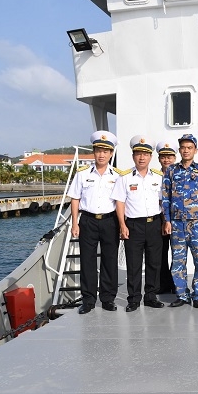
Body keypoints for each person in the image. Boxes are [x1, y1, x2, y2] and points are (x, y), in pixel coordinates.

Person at [68, 131, 120, 314]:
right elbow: (75, 199)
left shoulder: (118, 176)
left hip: (110, 221)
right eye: (98, 150)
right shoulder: (82, 174)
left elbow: (121, 202)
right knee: (87, 260)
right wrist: (75, 223)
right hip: (88, 220)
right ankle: (88, 300)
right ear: (94, 152)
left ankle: (108, 299)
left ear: (111, 153)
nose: (101, 155)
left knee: (109, 260)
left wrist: (122, 224)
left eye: (105, 151)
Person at [111, 136, 165, 312]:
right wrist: (122, 225)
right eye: (138, 154)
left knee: (154, 262)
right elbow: (120, 202)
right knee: (133, 264)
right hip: (134, 225)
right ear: (133, 156)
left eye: (145, 154)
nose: (142, 157)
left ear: (150, 157)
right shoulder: (125, 177)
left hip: (154, 223)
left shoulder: (158, 177)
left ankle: (151, 296)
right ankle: (133, 299)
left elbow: (163, 202)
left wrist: (165, 222)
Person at [161, 133, 198, 309]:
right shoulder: (171, 170)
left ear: (195, 150)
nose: (186, 150)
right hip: (177, 224)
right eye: (183, 148)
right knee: (178, 262)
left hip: (196, 224)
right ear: (179, 150)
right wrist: (167, 220)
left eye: (189, 147)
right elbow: (166, 196)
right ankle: (182, 295)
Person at [156, 141, 177, 294]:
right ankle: (163, 283)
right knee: (161, 253)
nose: (166, 160)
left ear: (174, 158)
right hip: (159, 219)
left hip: (176, 219)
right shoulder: (153, 177)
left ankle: (176, 282)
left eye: (169, 157)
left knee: (177, 253)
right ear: (159, 159)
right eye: (163, 157)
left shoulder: (178, 175)